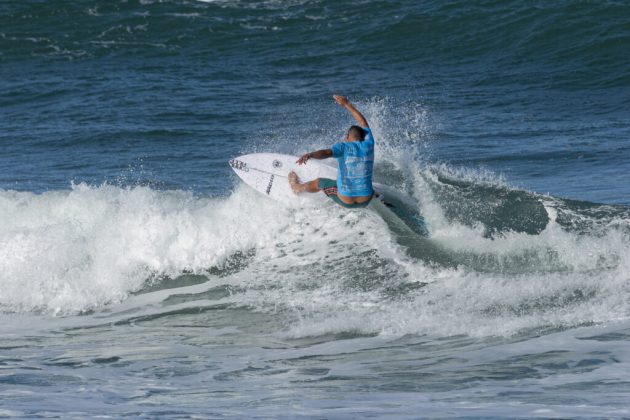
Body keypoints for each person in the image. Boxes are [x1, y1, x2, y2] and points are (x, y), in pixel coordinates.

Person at [288, 94, 375, 208]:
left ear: (348, 135)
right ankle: (374, 193)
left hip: (347, 201)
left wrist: (310, 154)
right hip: (366, 200)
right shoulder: (369, 144)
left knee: (320, 182)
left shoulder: (343, 147)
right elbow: (363, 122)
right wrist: (346, 104)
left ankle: (296, 188)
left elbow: (327, 153)